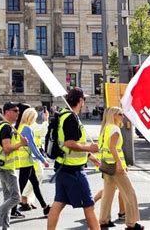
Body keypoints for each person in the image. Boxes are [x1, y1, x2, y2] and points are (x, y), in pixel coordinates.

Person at [47, 88, 100, 230]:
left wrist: (91, 157)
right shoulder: (71, 118)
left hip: (63, 166)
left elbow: (69, 143)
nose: (84, 102)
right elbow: (69, 143)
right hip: (73, 170)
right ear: (80, 101)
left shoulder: (64, 115)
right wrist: (90, 148)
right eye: (84, 100)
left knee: (59, 203)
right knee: (89, 205)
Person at [0, 102, 28, 230]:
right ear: (7, 112)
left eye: (18, 111)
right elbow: (7, 148)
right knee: (16, 197)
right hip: (6, 168)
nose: (18, 113)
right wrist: (21, 144)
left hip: (4, 166)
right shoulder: (6, 128)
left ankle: (5, 228)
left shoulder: (6, 126)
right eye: (15, 110)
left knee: (7, 198)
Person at [98, 107, 143, 229]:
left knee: (108, 194)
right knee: (130, 194)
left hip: (107, 166)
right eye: (120, 114)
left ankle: (103, 220)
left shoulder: (105, 129)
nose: (123, 116)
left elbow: (103, 148)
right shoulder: (115, 129)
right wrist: (120, 164)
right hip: (115, 167)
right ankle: (132, 223)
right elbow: (113, 148)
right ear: (113, 115)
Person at [15, 108, 51, 218]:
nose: (35, 119)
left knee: (35, 185)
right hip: (26, 161)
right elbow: (33, 147)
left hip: (25, 161)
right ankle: (11, 210)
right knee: (20, 188)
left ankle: (45, 207)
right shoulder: (27, 128)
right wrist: (43, 160)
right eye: (34, 118)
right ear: (30, 117)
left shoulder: (20, 127)